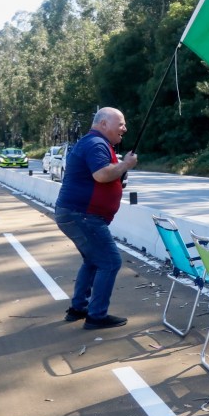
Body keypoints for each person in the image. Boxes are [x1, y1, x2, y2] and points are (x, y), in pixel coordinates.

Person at [54, 107, 138, 330]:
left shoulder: (95, 143)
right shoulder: (96, 144)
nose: (124, 128)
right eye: (120, 123)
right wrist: (126, 165)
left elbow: (105, 174)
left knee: (93, 261)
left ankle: (78, 308)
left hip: (77, 214)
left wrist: (120, 170)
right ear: (103, 124)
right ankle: (96, 316)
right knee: (110, 262)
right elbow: (101, 175)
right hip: (83, 215)